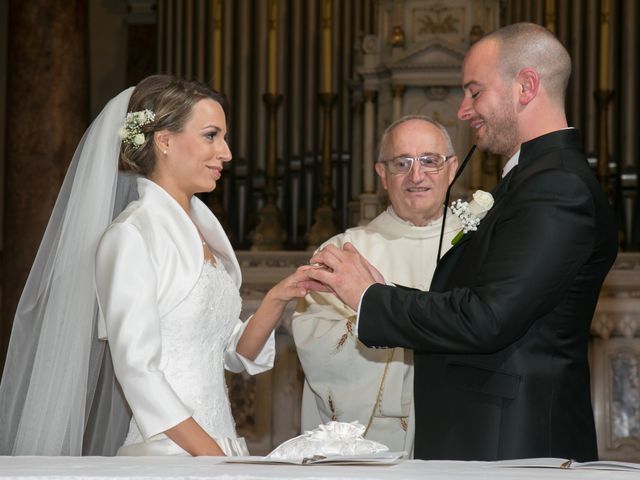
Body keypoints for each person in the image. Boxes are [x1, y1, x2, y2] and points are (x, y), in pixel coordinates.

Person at [304, 22, 618, 462]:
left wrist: (372, 299)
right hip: (489, 433)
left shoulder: (556, 186)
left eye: (474, 91)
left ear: (526, 86)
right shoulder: (532, 181)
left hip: (513, 444)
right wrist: (382, 293)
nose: (463, 110)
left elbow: (488, 318)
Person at [0, 75, 315, 457]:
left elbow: (230, 351)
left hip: (218, 449)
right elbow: (137, 370)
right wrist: (213, 457)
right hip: (172, 454)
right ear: (164, 141)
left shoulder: (205, 234)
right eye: (212, 136)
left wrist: (276, 299)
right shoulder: (131, 237)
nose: (227, 153)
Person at [291, 116, 460, 455]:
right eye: (402, 163)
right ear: (382, 174)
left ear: (452, 169)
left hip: (462, 425)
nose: (417, 176)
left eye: (430, 161)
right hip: (376, 440)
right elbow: (315, 341)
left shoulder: (479, 247)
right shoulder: (345, 252)